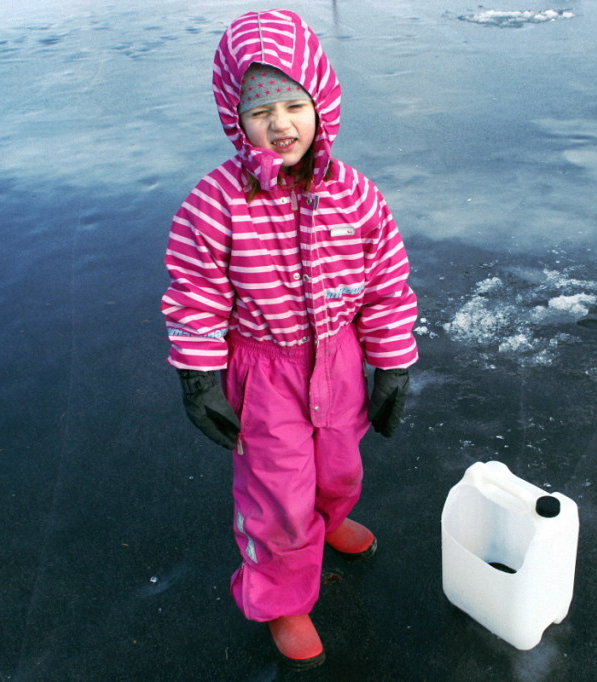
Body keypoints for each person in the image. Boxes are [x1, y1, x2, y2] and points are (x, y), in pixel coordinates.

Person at [160, 9, 418, 670]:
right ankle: (281, 595)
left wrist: (390, 364)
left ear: (320, 101)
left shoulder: (357, 196)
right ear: (234, 117)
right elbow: (195, 294)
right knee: (277, 492)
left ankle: (329, 520)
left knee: (339, 464)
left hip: (337, 360)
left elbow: (386, 285)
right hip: (264, 368)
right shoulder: (215, 204)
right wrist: (199, 377)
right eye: (260, 110)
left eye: (293, 104)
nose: (280, 124)